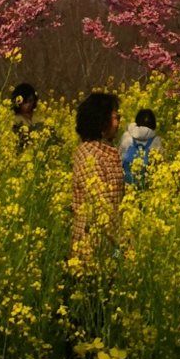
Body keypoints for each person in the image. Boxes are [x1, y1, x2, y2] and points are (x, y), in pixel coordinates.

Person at [71, 91, 125, 260]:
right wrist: (124, 246)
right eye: (116, 117)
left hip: (109, 241)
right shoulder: (90, 157)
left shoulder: (105, 151)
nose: (118, 123)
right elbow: (101, 206)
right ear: (101, 122)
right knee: (99, 284)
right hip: (94, 245)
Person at [119, 105, 162, 188]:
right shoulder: (157, 141)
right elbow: (160, 167)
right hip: (147, 187)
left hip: (126, 187)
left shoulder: (126, 136)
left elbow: (119, 159)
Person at [11, 82, 38, 146]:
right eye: (25, 102)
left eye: (30, 101)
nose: (28, 105)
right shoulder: (15, 120)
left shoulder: (38, 119)